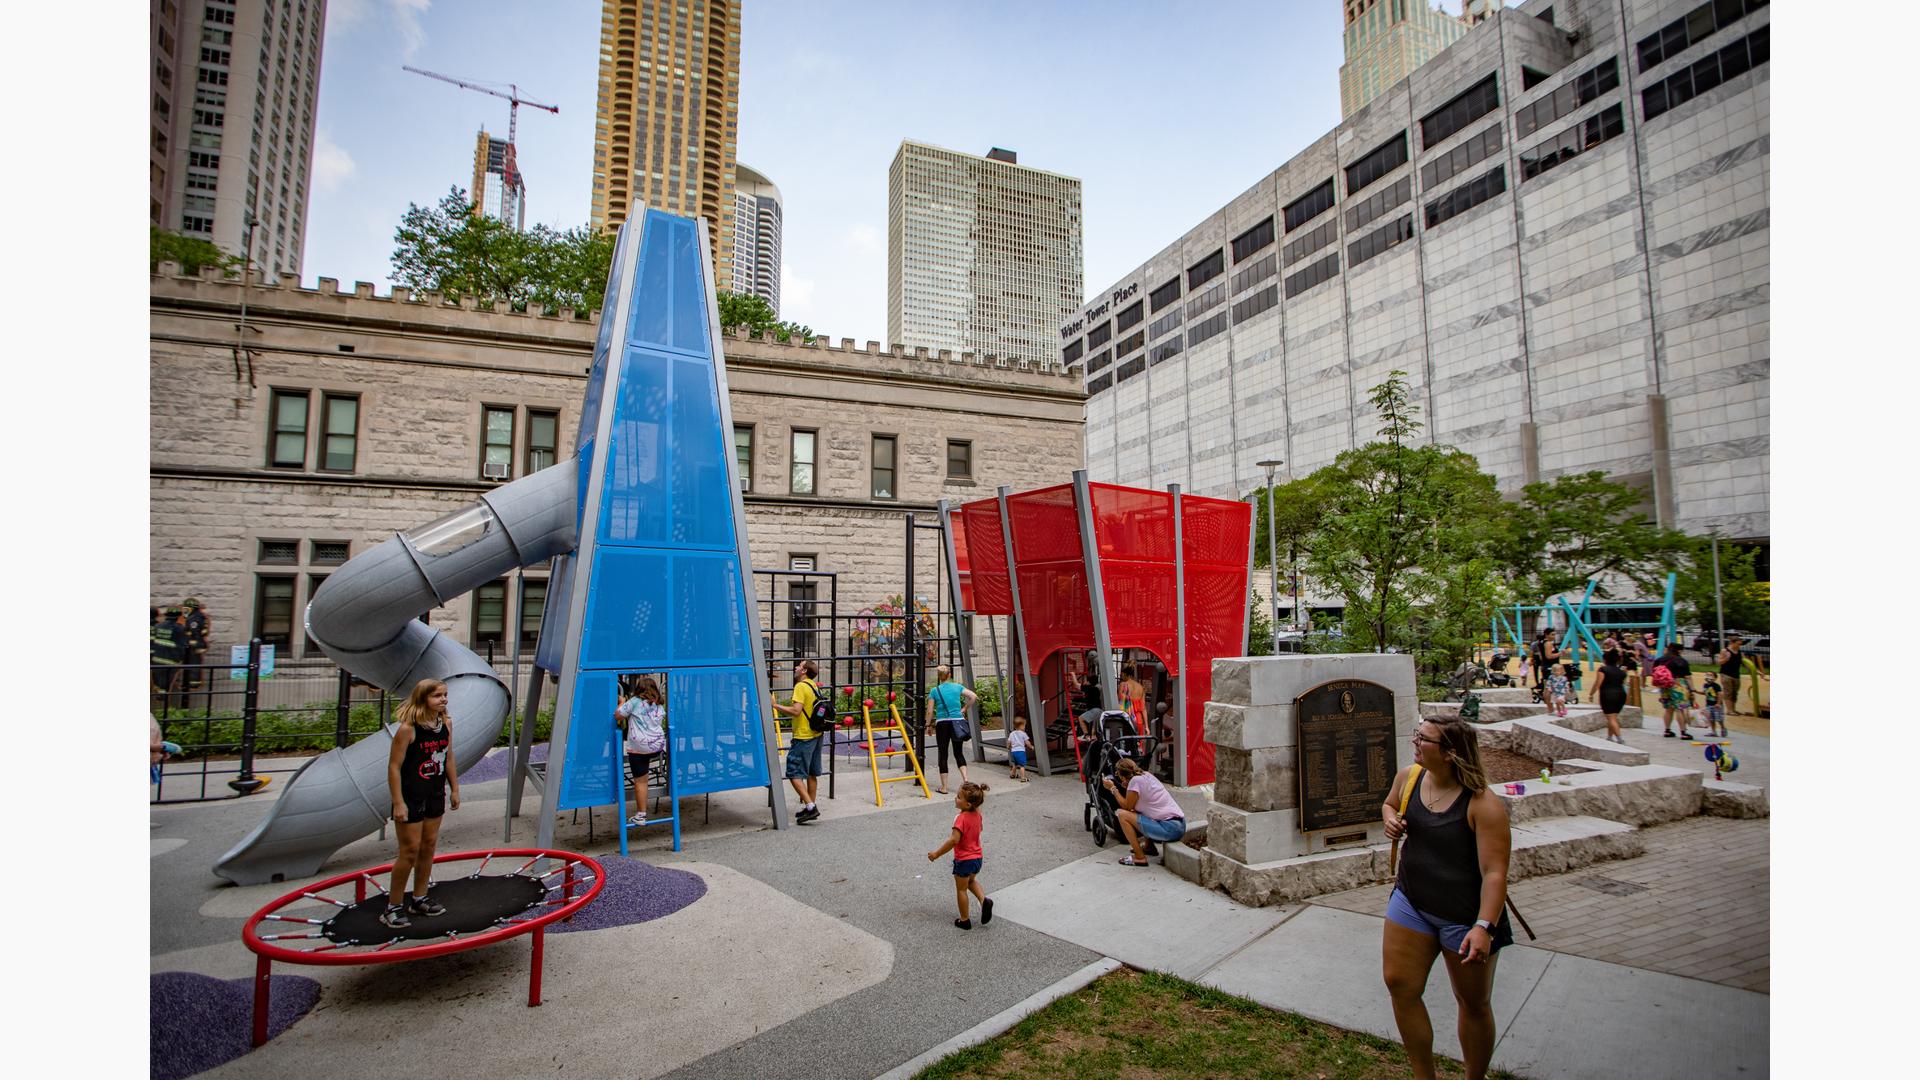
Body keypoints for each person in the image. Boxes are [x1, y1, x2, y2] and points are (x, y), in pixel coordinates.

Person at [1381, 718, 1514, 1080]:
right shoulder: (1409, 777)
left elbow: (1495, 873)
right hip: (1412, 901)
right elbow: (1390, 804)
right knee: (1400, 985)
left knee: (1472, 1004)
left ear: (1451, 753)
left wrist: (1484, 927)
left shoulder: (1482, 805)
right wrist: (1390, 819)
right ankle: (1424, 1075)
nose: (1415, 742)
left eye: (1423, 739)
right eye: (1417, 735)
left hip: (1465, 917)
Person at [382, 679, 461, 929]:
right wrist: (398, 802)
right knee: (409, 851)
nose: (443, 699)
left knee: (428, 846)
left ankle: (419, 897)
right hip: (411, 795)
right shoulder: (408, 729)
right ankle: (393, 906)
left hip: (434, 792)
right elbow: (394, 767)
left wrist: (455, 788)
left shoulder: (445, 724)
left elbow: (448, 758)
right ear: (423, 698)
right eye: (437, 696)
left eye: (445, 695)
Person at [926, 781, 992, 929]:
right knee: (971, 882)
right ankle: (984, 900)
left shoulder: (960, 818)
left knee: (961, 889)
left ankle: (964, 920)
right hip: (977, 858)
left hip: (964, 860)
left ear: (968, 804)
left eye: (959, 797)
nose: (955, 798)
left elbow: (954, 840)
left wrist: (936, 853)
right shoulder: (978, 815)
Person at [1103, 757, 1186, 866]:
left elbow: (1127, 807)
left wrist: (1113, 789)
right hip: (1179, 825)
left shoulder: (1135, 781)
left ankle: (1139, 857)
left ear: (1121, 775)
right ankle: (1149, 847)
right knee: (1140, 811)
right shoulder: (1146, 775)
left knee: (1122, 815)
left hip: (1169, 829)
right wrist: (1128, 785)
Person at [771, 660, 825, 823]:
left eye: (799, 666)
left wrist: (775, 705)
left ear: (804, 671)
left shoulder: (801, 686)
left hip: (804, 736)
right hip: (817, 734)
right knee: (811, 772)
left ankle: (810, 807)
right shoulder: (813, 686)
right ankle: (810, 806)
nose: (796, 668)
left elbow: (796, 711)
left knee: (793, 773)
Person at [618, 676, 667, 826]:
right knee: (645, 776)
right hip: (656, 746)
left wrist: (621, 702)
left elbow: (618, 715)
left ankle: (641, 815)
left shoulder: (634, 702)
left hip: (639, 748)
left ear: (639, 689)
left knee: (641, 782)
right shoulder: (659, 705)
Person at [923, 664, 978, 795]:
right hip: (957, 722)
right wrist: (964, 709)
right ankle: (965, 780)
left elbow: (930, 711)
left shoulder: (934, 691)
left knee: (943, 754)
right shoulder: (957, 687)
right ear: (949, 675)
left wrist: (928, 725)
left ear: (939, 676)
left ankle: (944, 787)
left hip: (942, 724)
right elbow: (973, 696)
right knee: (958, 753)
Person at [1652, 642, 1697, 739]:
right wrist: (1692, 689)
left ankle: (1667, 730)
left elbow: (1654, 671)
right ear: (1679, 650)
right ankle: (1683, 732)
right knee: (1680, 709)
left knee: (1668, 709)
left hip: (1664, 686)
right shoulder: (1681, 661)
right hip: (1678, 684)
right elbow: (1687, 676)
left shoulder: (1660, 660)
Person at [1587, 649, 1629, 744]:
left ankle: (1620, 738)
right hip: (1621, 694)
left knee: (1611, 718)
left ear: (1605, 660)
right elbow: (1623, 683)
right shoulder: (1622, 672)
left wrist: (1591, 694)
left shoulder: (1603, 670)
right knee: (1613, 717)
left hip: (1608, 694)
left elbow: (1598, 683)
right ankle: (1609, 737)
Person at [151, 606, 187, 710]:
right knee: (167, 683)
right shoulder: (179, 629)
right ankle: (164, 706)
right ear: (178, 617)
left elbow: (154, 642)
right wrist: (180, 659)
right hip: (170, 661)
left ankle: (159, 701)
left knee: (159, 681)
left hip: (157, 659)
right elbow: (182, 646)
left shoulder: (158, 626)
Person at [181, 598, 211, 693]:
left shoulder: (194, 619)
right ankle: (191, 683)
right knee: (194, 664)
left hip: (195, 646)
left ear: (192, 609)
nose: (185, 611)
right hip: (196, 645)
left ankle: (192, 684)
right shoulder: (199, 616)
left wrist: (192, 644)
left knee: (193, 664)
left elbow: (195, 633)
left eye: (187, 608)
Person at [1715, 635, 1745, 716]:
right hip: (1726, 674)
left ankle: (1733, 709)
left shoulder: (1740, 652)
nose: (1739, 646)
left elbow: (1745, 662)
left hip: (1736, 674)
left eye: (1740, 644)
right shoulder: (1725, 651)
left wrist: (1758, 671)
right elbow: (1719, 662)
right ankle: (1729, 710)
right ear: (1732, 643)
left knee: (1735, 692)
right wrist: (1726, 659)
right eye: (1738, 644)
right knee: (1728, 692)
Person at [1117, 664, 1148, 735]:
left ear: (1125, 674)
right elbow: (1143, 708)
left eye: (1122, 675)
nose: (1121, 677)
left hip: (1127, 718)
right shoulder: (1141, 687)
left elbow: (1119, 701)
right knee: (1138, 743)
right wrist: (1146, 726)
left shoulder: (1123, 684)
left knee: (1126, 742)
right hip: (1139, 720)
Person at [1006, 716, 1031, 782]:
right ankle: (1023, 778)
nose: (1025, 727)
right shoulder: (1023, 734)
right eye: (1024, 726)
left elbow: (1009, 742)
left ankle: (1012, 775)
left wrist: (1008, 747)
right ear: (1021, 726)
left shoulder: (1012, 733)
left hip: (1013, 752)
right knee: (1022, 766)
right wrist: (1031, 747)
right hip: (1020, 752)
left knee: (1015, 764)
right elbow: (1027, 742)